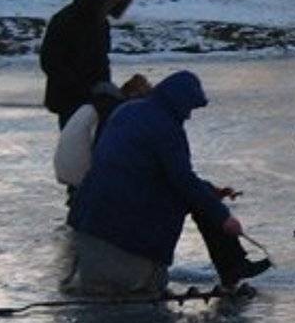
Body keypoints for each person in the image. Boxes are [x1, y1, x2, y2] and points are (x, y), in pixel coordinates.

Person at [66, 70, 270, 295]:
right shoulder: (166, 128)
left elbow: (156, 171)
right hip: (126, 228)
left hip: (87, 216)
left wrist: (210, 190)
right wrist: (224, 218)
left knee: (201, 195)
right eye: (190, 108)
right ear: (179, 102)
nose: (190, 116)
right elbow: (182, 180)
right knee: (199, 200)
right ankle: (233, 268)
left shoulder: (127, 111)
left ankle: (234, 266)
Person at [39, 0, 134, 128]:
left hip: (96, 97)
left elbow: (102, 58)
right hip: (69, 98)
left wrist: (105, 87)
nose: (107, 10)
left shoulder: (100, 23)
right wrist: (80, 87)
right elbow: (50, 61)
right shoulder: (64, 21)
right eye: (106, 4)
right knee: (74, 141)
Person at [53, 73, 152, 196]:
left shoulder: (96, 104)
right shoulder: (110, 110)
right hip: (81, 176)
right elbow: (103, 149)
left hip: (65, 169)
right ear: (133, 96)